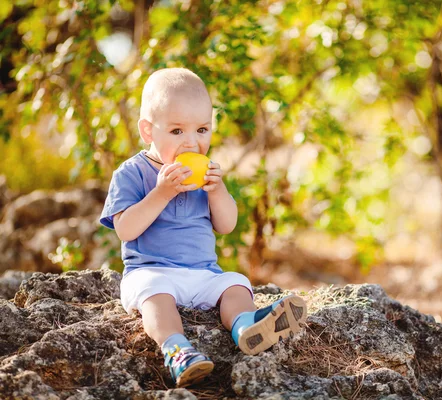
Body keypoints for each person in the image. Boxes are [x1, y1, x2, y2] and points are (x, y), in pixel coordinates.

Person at [99, 67, 307, 388]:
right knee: (156, 297)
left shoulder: (206, 174)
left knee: (236, 284)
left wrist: (217, 191)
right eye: (177, 131)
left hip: (203, 273)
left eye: (202, 129)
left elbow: (226, 225)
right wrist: (161, 193)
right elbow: (126, 229)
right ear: (148, 131)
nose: (192, 143)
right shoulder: (132, 173)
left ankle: (246, 326)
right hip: (151, 272)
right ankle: (177, 348)